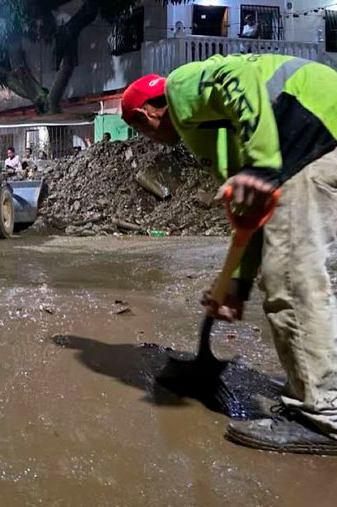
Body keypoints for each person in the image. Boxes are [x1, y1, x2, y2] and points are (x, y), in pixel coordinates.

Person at [121, 54, 337, 454]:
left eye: (142, 131)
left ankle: (322, 417)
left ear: (146, 115)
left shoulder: (181, 87)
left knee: (291, 280)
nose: (151, 140)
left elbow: (233, 75)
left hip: (311, 133)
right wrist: (237, 283)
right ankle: (319, 392)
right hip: (316, 137)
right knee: (291, 271)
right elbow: (253, 216)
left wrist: (264, 164)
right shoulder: (215, 133)